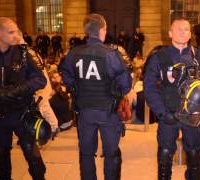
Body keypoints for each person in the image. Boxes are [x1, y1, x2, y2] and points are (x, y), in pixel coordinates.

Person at [60, 13, 132, 180]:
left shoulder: (74, 53)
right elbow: (126, 85)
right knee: (111, 154)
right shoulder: (110, 54)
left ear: (86, 30)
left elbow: (65, 73)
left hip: (84, 111)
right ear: (103, 30)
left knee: (86, 154)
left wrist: (76, 87)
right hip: (108, 111)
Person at [144, 17, 200, 180]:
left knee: (193, 152)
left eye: (186, 29)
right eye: (178, 29)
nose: (183, 32)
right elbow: (149, 87)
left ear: (190, 34)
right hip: (168, 113)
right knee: (165, 153)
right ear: (170, 33)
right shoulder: (159, 56)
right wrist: (162, 113)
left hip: (193, 115)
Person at [0, 17, 47, 180]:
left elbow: (40, 79)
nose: (16, 35)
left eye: (16, 31)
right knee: (0, 157)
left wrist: (17, 90)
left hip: (23, 113)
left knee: (34, 157)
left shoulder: (23, 54)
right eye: (11, 32)